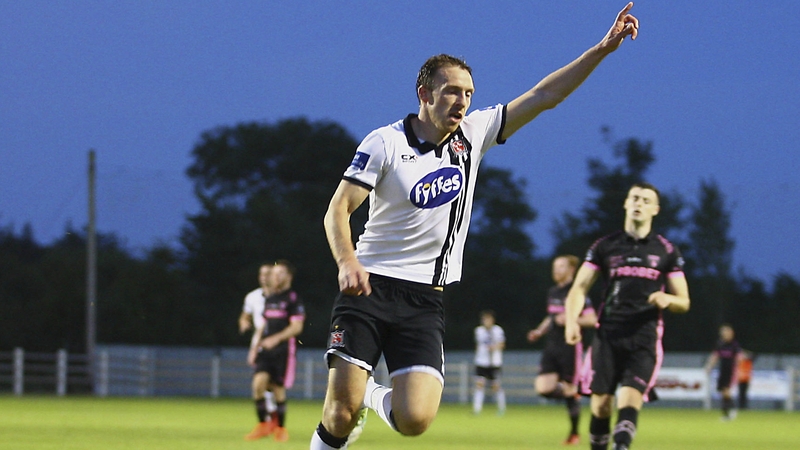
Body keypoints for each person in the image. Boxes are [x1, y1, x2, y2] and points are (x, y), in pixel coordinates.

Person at [310, 4, 640, 449]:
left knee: (415, 420)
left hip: (426, 298)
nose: (462, 101)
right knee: (338, 414)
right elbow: (338, 209)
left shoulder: (474, 134)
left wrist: (603, 49)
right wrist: (347, 261)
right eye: (451, 91)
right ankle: (355, 402)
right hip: (368, 289)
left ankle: (371, 393)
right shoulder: (384, 143)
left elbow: (545, 96)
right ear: (424, 93)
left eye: (468, 92)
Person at [564, 182, 691, 450]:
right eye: (634, 198)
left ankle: (622, 446)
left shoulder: (666, 250)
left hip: (644, 337)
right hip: (607, 334)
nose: (638, 204)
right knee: (601, 406)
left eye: (646, 200)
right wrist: (572, 319)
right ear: (625, 203)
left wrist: (668, 299)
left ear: (655, 209)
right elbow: (579, 287)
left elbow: (684, 301)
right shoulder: (604, 246)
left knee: (630, 400)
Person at [527, 255, 597, 445]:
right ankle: (573, 393)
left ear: (571, 270)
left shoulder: (577, 292)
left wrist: (572, 320)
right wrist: (539, 331)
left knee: (569, 388)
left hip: (570, 347)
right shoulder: (553, 292)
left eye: (560, 267)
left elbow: (592, 320)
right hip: (552, 346)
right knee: (543, 388)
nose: (556, 270)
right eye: (554, 267)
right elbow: (551, 317)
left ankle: (574, 433)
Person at [246, 260, 306, 442]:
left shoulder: (293, 299)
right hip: (266, 350)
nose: (275, 276)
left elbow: (296, 327)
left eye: (280, 273)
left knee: (278, 389)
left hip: (283, 351)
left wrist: (276, 339)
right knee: (258, 385)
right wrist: (254, 348)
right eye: (274, 273)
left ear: (288, 276)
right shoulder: (270, 298)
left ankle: (280, 428)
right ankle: (264, 424)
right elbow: (263, 325)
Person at [240, 263, 279, 440]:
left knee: (270, 386)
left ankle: (273, 424)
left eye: (268, 274)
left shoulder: (281, 297)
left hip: (278, 346)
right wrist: (243, 323)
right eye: (261, 274)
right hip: (260, 345)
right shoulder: (252, 297)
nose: (264, 277)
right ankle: (269, 423)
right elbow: (245, 315)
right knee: (261, 386)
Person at [703, 324, 742, 421]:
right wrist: (709, 366)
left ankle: (728, 412)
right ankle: (729, 411)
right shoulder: (720, 344)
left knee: (726, 391)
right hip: (722, 370)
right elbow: (715, 356)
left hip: (730, 370)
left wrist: (737, 368)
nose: (724, 334)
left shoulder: (734, 345)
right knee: (722, 391)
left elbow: (739, 357)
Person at [472, 310, 506, 415]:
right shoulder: (479, 331)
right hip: (481, 362)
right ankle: (477, 409)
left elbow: (502, 344)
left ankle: (501, 408)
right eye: (484, 319)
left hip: (494, 363)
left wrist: (494, 347)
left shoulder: (498, 330)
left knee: (496, 386)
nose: (486, 321)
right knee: (479, 385)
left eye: (488, 319)